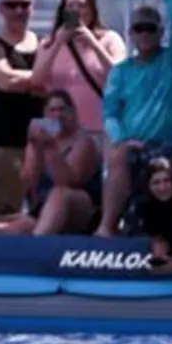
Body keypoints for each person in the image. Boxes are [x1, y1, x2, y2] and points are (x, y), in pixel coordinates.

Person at [95, 0, 172, 237]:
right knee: (120, 159)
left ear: (160, 32)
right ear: (131, 34)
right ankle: (106, 229)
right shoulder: (121, 71)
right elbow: (110, 113)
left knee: (162, 165)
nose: (144, 34)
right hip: (136, 144)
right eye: (138, 29)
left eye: (150, 28)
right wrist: (121, 140)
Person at [0, 0, 44, 218]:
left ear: (32, 7)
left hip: (42, 141)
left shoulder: (44, 45)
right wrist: (43, 78)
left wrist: (29, 80)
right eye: (11, 5)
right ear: (0, 9)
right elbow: (5, 81)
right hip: (3, 144)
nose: (18, 11)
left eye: (24, 5)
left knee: (43, 209)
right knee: (4, 211)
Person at [30, 0, 126, 134]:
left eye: (82, 6)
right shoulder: (48, 44)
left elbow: (120, 75)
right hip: (60, 130)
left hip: (101, 127)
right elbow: (37, 79)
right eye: (70, 6)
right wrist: (58, 43)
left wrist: (93, 43)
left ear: (92, 10)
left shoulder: (109, 39)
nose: (76, 11)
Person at [16, 89, 102, 236]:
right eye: (52, 110)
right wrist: (36, 149)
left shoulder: (83, 142)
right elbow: (30, 183)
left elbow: (67, 182)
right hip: (45, 207)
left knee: (59, 194)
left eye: (63, 110)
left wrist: (51, 148)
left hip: (81, 207)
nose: (58, 115)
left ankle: (38, 244)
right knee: (19, 227)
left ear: (73, 113)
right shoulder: (38, 140)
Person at [139, 152, 172, 273]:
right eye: (156, 182)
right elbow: (159, 239)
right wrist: (160, 257)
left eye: (167, 181)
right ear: (148, 186)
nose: (162, 188)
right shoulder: (147, 208)